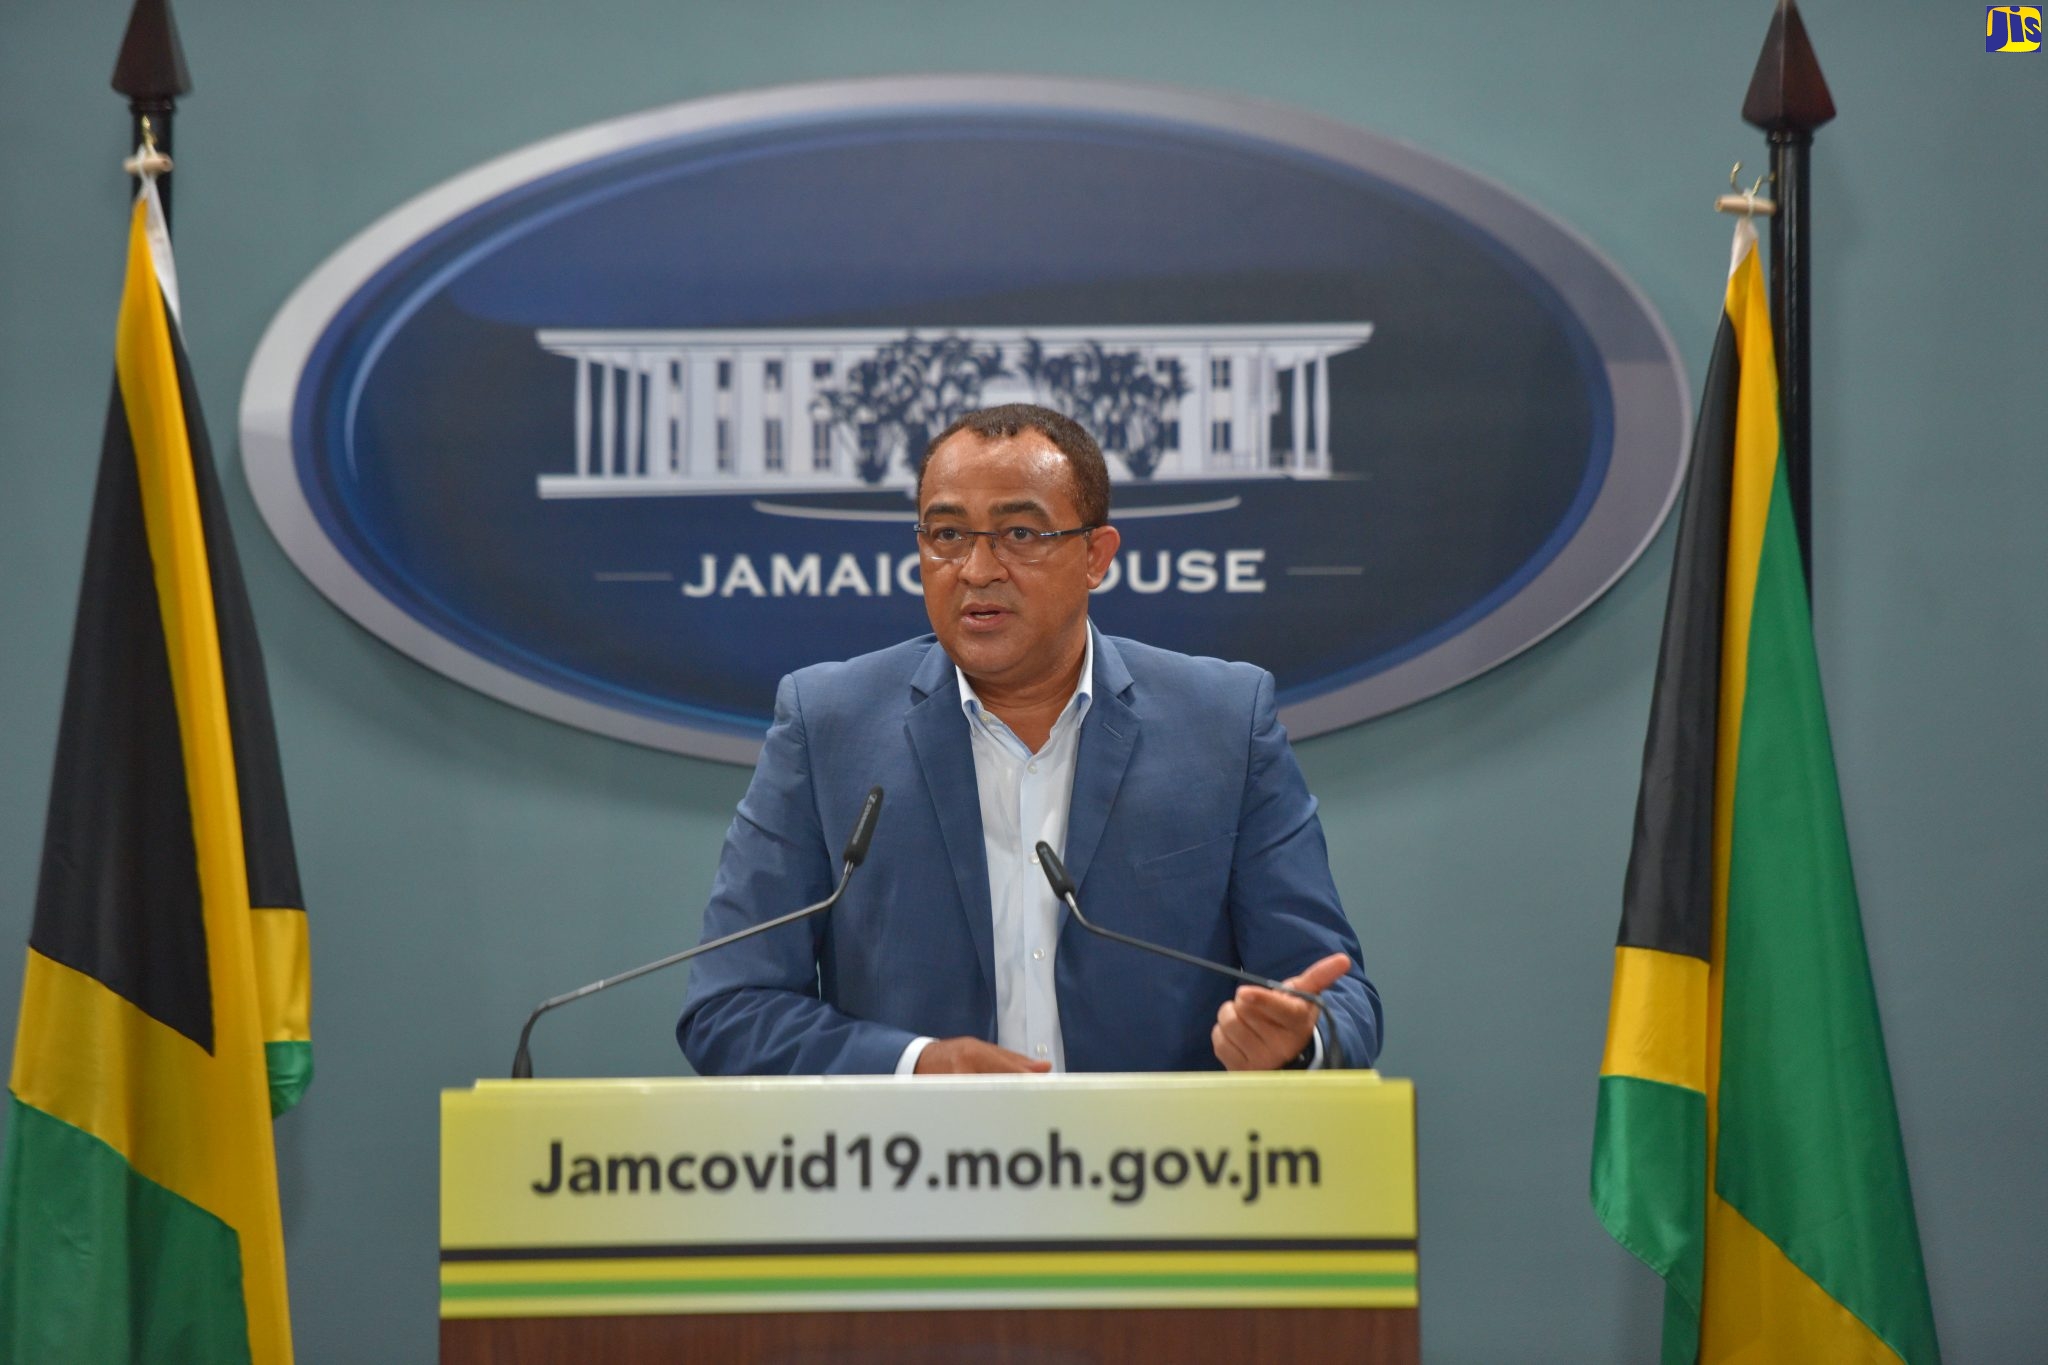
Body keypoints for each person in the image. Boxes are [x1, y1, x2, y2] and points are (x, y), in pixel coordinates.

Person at [677, 404, 1381, 1075]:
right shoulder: (828, 726)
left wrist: (1297, 1039)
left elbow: (1338, 997)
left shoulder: (1224, 724)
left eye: (1021, 534)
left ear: (1096, 555)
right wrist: (916, 1066)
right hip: (913, 1181)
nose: (978, 569)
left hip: (1166, 1177)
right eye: (947, 534)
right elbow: (729, 1006)